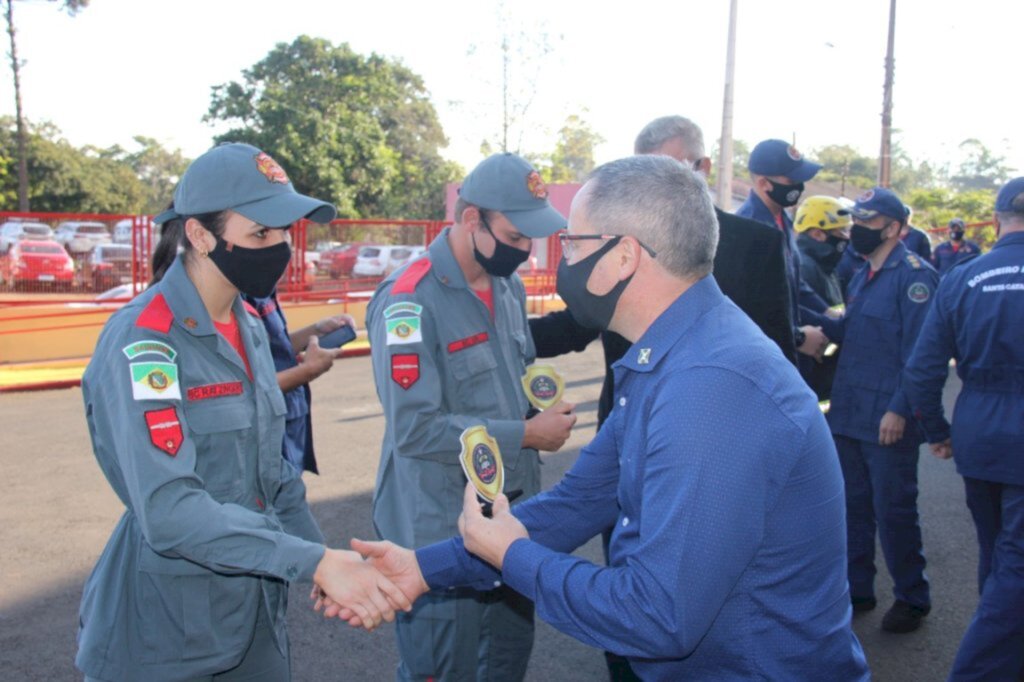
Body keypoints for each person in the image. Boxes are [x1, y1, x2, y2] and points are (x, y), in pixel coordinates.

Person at [333, 155, 870, 680]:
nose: (560, 259)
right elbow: (582, 499)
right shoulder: (667, 352)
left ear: (623, 257)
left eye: (574, 244)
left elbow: (658, 616)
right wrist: (423, 569)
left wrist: (514, 556)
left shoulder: (712, 388)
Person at [75, 143, 410, 681]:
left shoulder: (248, 324)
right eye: (261, 234)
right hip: (165, 636)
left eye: (284, 233)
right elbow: (169, 510)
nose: (279, 248)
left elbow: (272, 475)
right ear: (200, 236)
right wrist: (315, 562)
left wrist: (320, 560)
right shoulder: (144, 341)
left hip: (253, 613)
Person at [365, 152, 576, 681]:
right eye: (514, 235)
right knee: (443, 668)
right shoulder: (409, 302)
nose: (525, 251)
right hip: (439, 524)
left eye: (533, 237)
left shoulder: (507, 285)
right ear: (470, 220)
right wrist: (526, 434)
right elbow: (416, 429)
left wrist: (534, 409)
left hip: (510, 514)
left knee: (506, 660)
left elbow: (511, 375)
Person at [531, 115, 796, 432]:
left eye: (668, 173)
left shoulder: (756, 245)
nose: (652, 188)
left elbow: (776, 351)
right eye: (641, 176)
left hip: (715, 431)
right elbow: (576, 324)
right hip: (624, 429)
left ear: (703, 168)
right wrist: (501, 337)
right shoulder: (616, 244)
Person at [903, 177, 1024, 680]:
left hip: (979, 433)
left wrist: (938, 431)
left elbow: (922, 369)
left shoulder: (965, 276)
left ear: (997, 219)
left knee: (999, 554)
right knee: (1015, 569)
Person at [826, 187, 938, 633]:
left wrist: (899, 410)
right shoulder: (861, 274)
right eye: (856, 221)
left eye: (868, 224)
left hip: (887, 420)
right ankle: (858, 589)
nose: (857, 230)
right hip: (850, 412)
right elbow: (849, 330)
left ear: (894, 229)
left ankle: (913, 596)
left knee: (894, 511)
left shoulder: (915, 278)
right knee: (852, 508)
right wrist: (806, 320)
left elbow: (922, 355)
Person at [736, 139, 833, 374]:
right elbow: (749, 310)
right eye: (791, 181)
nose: (799, 187)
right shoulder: (748, 229)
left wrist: (826, 311)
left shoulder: (783, 219)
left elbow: (790, 282)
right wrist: (799, 338)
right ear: (763, 183)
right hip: (761, 361)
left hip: (783, 351)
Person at [242, 287, 355, 474]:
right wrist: (308, 370)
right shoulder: (232, 296)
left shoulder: (262, 290)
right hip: (265, 432)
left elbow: (277, 349)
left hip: (290, 428)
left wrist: (316, 330)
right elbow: (241, 389)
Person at [795, 194, 852, 307]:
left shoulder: (826, 264)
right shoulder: (804, 268)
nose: (847, 237)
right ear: (818, 234)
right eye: (842, 231)